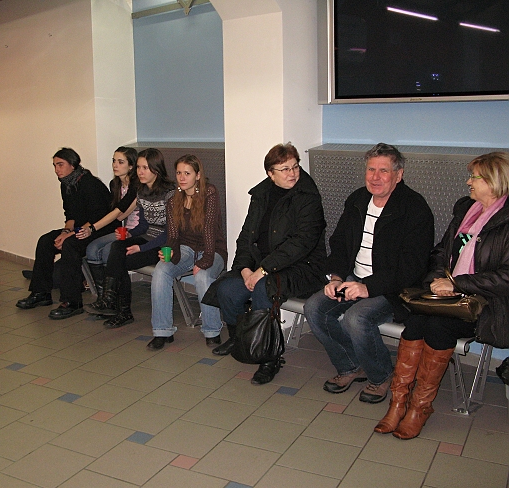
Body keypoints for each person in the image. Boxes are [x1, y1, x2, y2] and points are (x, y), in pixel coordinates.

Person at [376, 151, 509, 439]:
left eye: (474, 177)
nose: (468, 182)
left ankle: (419, 407)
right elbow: (440, 251)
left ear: (493, 181)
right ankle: (398, 403)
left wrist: (458, 284)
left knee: (437, 328)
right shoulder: (466, 210)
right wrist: (438, 279)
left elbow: (505, 277)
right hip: (448, 296)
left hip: (485, 305)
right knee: (415, 322)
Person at [304, 143, 434, 404]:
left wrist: (368, 287)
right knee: (314, 308)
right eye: (371, 170)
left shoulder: (414, 209)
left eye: (383, 171)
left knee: (357, 318)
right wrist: (336, 277)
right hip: (353, 278)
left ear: (399, 175)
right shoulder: (357, 200)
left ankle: (381, 375)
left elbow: (412, 266)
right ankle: (351, 365)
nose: (375, 177)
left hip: (394, 288)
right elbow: (340, 243)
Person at [206, 143, 327, 384]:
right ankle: (240, 338)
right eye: (285, 169)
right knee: (227, 289)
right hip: (263, 265)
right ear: (270, 174)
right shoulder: (261, 195)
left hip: (302, 266)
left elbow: (301, 244)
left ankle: (269, 358)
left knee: (264, 288)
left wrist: (262, 270)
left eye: (295, 167)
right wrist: (244, 268)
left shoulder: (308, 198)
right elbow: (246, 236)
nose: (292, 173)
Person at [16, 148, 113, 318]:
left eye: (60, 165)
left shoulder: (90, 184)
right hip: (80, 228)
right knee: (46, 241)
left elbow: (98, 217)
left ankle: (72, 302)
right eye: (54, 165)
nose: (56, 170)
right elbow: (70, 215)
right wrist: (65, 231)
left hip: (99, 229)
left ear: (73, 165)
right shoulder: (66, 184)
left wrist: (69, 235)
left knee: (70, 245)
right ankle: (40, 293)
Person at [88, 148, 175, 330]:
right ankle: (111, 301)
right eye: (138, 168)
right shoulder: (142, 191)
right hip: (147, 238)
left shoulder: (170, 194)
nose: (140, 172)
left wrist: (140, 248)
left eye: (145, 168)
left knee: (119, 260)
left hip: (163, 245)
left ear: (156, 170)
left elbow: (169, 233)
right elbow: (143, 225)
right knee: (117, 247)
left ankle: (120, 308)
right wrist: (130, 234)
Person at [149, 155, 227, 349]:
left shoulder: (209, 193)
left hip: (212, 249)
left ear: (197, 175)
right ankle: (162, 331)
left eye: (187, 173)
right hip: (186, 248)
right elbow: (173, 236)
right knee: (161, 270)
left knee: (202, 276)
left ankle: (212, 330)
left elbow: (209, 229)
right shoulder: (173, 199)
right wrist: (169, 253)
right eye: (178, 173)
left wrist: (205, 260)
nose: (182, 178)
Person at [81, 146, 139, 302]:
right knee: (92, 248)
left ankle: (113, 298)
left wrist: (92, 228)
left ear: (131, 166)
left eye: (121, 162)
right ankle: (102, 295)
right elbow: (117, 214)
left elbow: (119, 212)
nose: (115, 165)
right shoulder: (114, 184)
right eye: (114, 161)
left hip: (136, 231)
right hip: (123, 228)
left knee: (108, 251)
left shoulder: (137, 185)